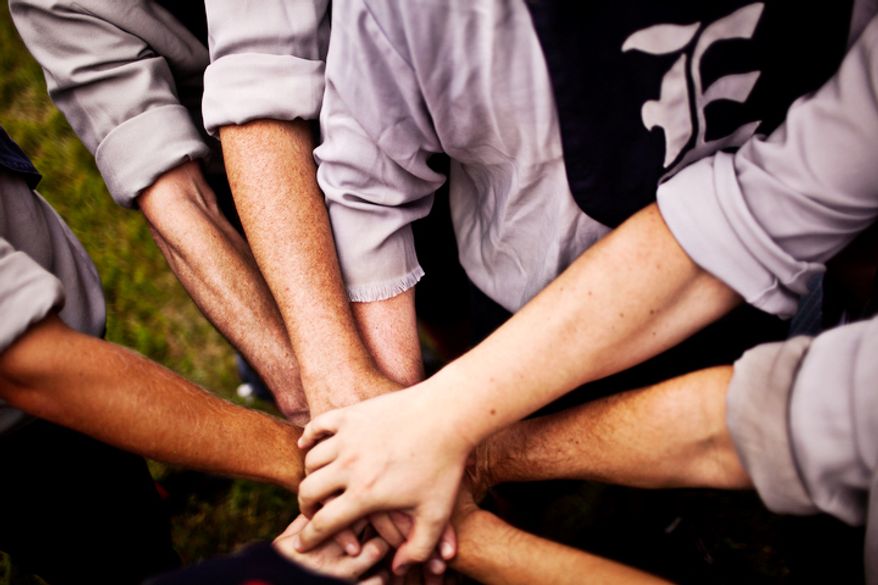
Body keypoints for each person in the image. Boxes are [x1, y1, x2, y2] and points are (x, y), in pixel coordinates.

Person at [293, 7, 878, 575]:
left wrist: (446, 442)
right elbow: (753, 218)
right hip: (527, 301)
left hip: (750, 295)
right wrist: (415, 427)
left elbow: (771, 413)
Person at [9, 0, 399, 425]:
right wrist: (310, 391)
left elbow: (258, 75)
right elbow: (171, 191)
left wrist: (334, 366)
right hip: (237, 166)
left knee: (436, 278)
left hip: (383, 76)